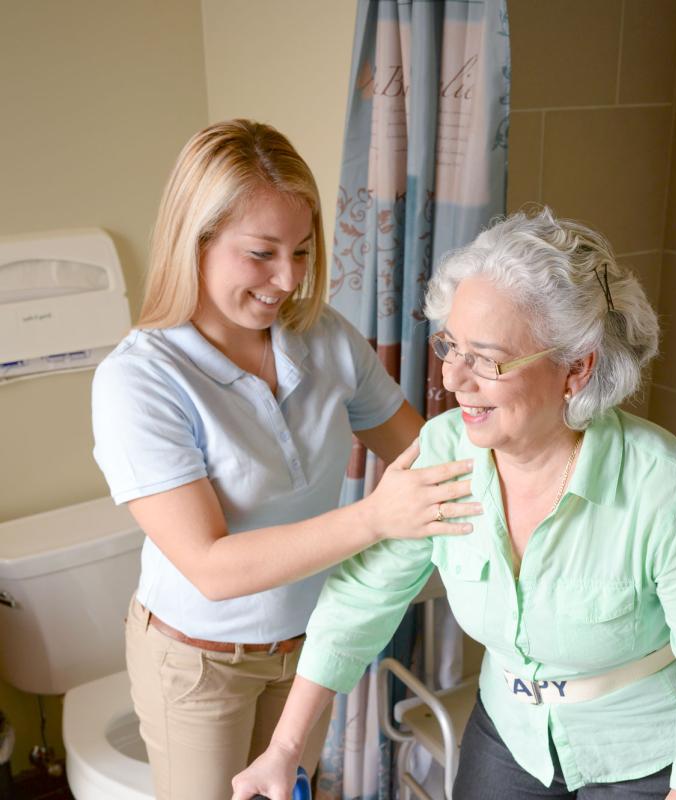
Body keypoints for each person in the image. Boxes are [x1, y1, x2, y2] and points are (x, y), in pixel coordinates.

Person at [231, 209, 676, 800]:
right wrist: (282, 751)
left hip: (645, 758)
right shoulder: (444, 454)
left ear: (576, 370)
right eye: (451, 345)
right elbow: (358, 603)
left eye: (487, 359)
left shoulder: (663, 490)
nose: (452, 377)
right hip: (509, 738)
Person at [91, 119, 481, 800]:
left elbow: (428, 454)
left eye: (301, 251)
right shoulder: (140, 380)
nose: (287, 279)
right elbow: (211, 568)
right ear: (198, 240)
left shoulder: (324, 339)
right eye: (262, 253)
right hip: (198, 663)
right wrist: (376, 519)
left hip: (308, 647)